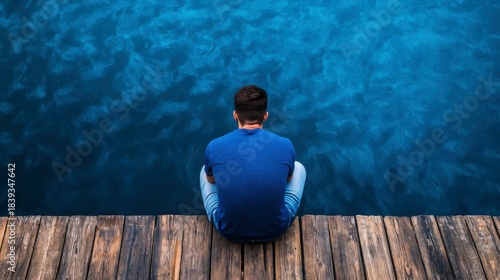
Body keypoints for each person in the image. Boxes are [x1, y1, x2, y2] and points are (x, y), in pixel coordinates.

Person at [200, 85, 306, 243]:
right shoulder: (285, 144)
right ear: (266, 116)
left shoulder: (214, 146)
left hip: (229, 230)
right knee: (298, 167)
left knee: (205, 171)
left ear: (235, 115)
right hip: (276, 229)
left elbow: (211, 181)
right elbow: (289, 179)